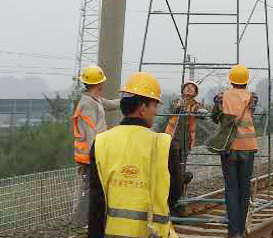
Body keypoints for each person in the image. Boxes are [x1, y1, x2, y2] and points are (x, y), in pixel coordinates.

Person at [88, 72, 181, 238]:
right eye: (155, 106)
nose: (155, 111)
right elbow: (175, 191)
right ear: (143, 108)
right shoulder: (164, 144)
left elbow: (96, 202)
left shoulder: (101, 143)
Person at [208, 65, 260, 238]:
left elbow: (215, 117)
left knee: (231, 189)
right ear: (246, 81)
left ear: (231, 80)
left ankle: (233, 231)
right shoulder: (252, 97)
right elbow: (251, 113)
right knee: (244, 188)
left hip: (229, 147)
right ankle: (241, 229)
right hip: (248, 146)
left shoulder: (222, 96)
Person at [71, 64, 121, 227]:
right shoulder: (87, 104)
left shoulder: (95, 99)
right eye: (101, 82)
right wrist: (98, 155)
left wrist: (129, 100)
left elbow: (111, 104)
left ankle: (87, 222)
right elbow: (90, 133)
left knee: (94, 188)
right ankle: (80, 224)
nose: (103, 84)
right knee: (88, 190)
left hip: (94, 153)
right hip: (89, 155)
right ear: (98, 83)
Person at [163, 81, 207, 214]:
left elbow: (200, 112)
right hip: (171, 139)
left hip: (185, 142)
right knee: (169, 169)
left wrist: (199, 110)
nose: (189, 89)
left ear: (195, 93)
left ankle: (178, 202)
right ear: (182, 90)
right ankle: (168, 200)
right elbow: (175, 108)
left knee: (180, 170)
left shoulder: (196, 105)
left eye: (192, 88)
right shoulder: (177, 101)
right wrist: (184, 106)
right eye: (187, 87)